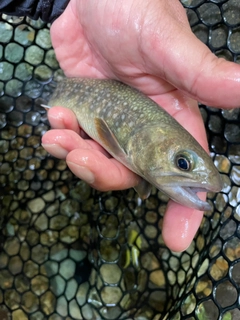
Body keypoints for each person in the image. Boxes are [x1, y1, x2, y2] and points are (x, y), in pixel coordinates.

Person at [2, 0, 240, 252]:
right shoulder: (133, 146)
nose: (188, 172)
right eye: (182, 163)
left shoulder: (143, 153)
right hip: (64, 89)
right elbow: (104, 131)